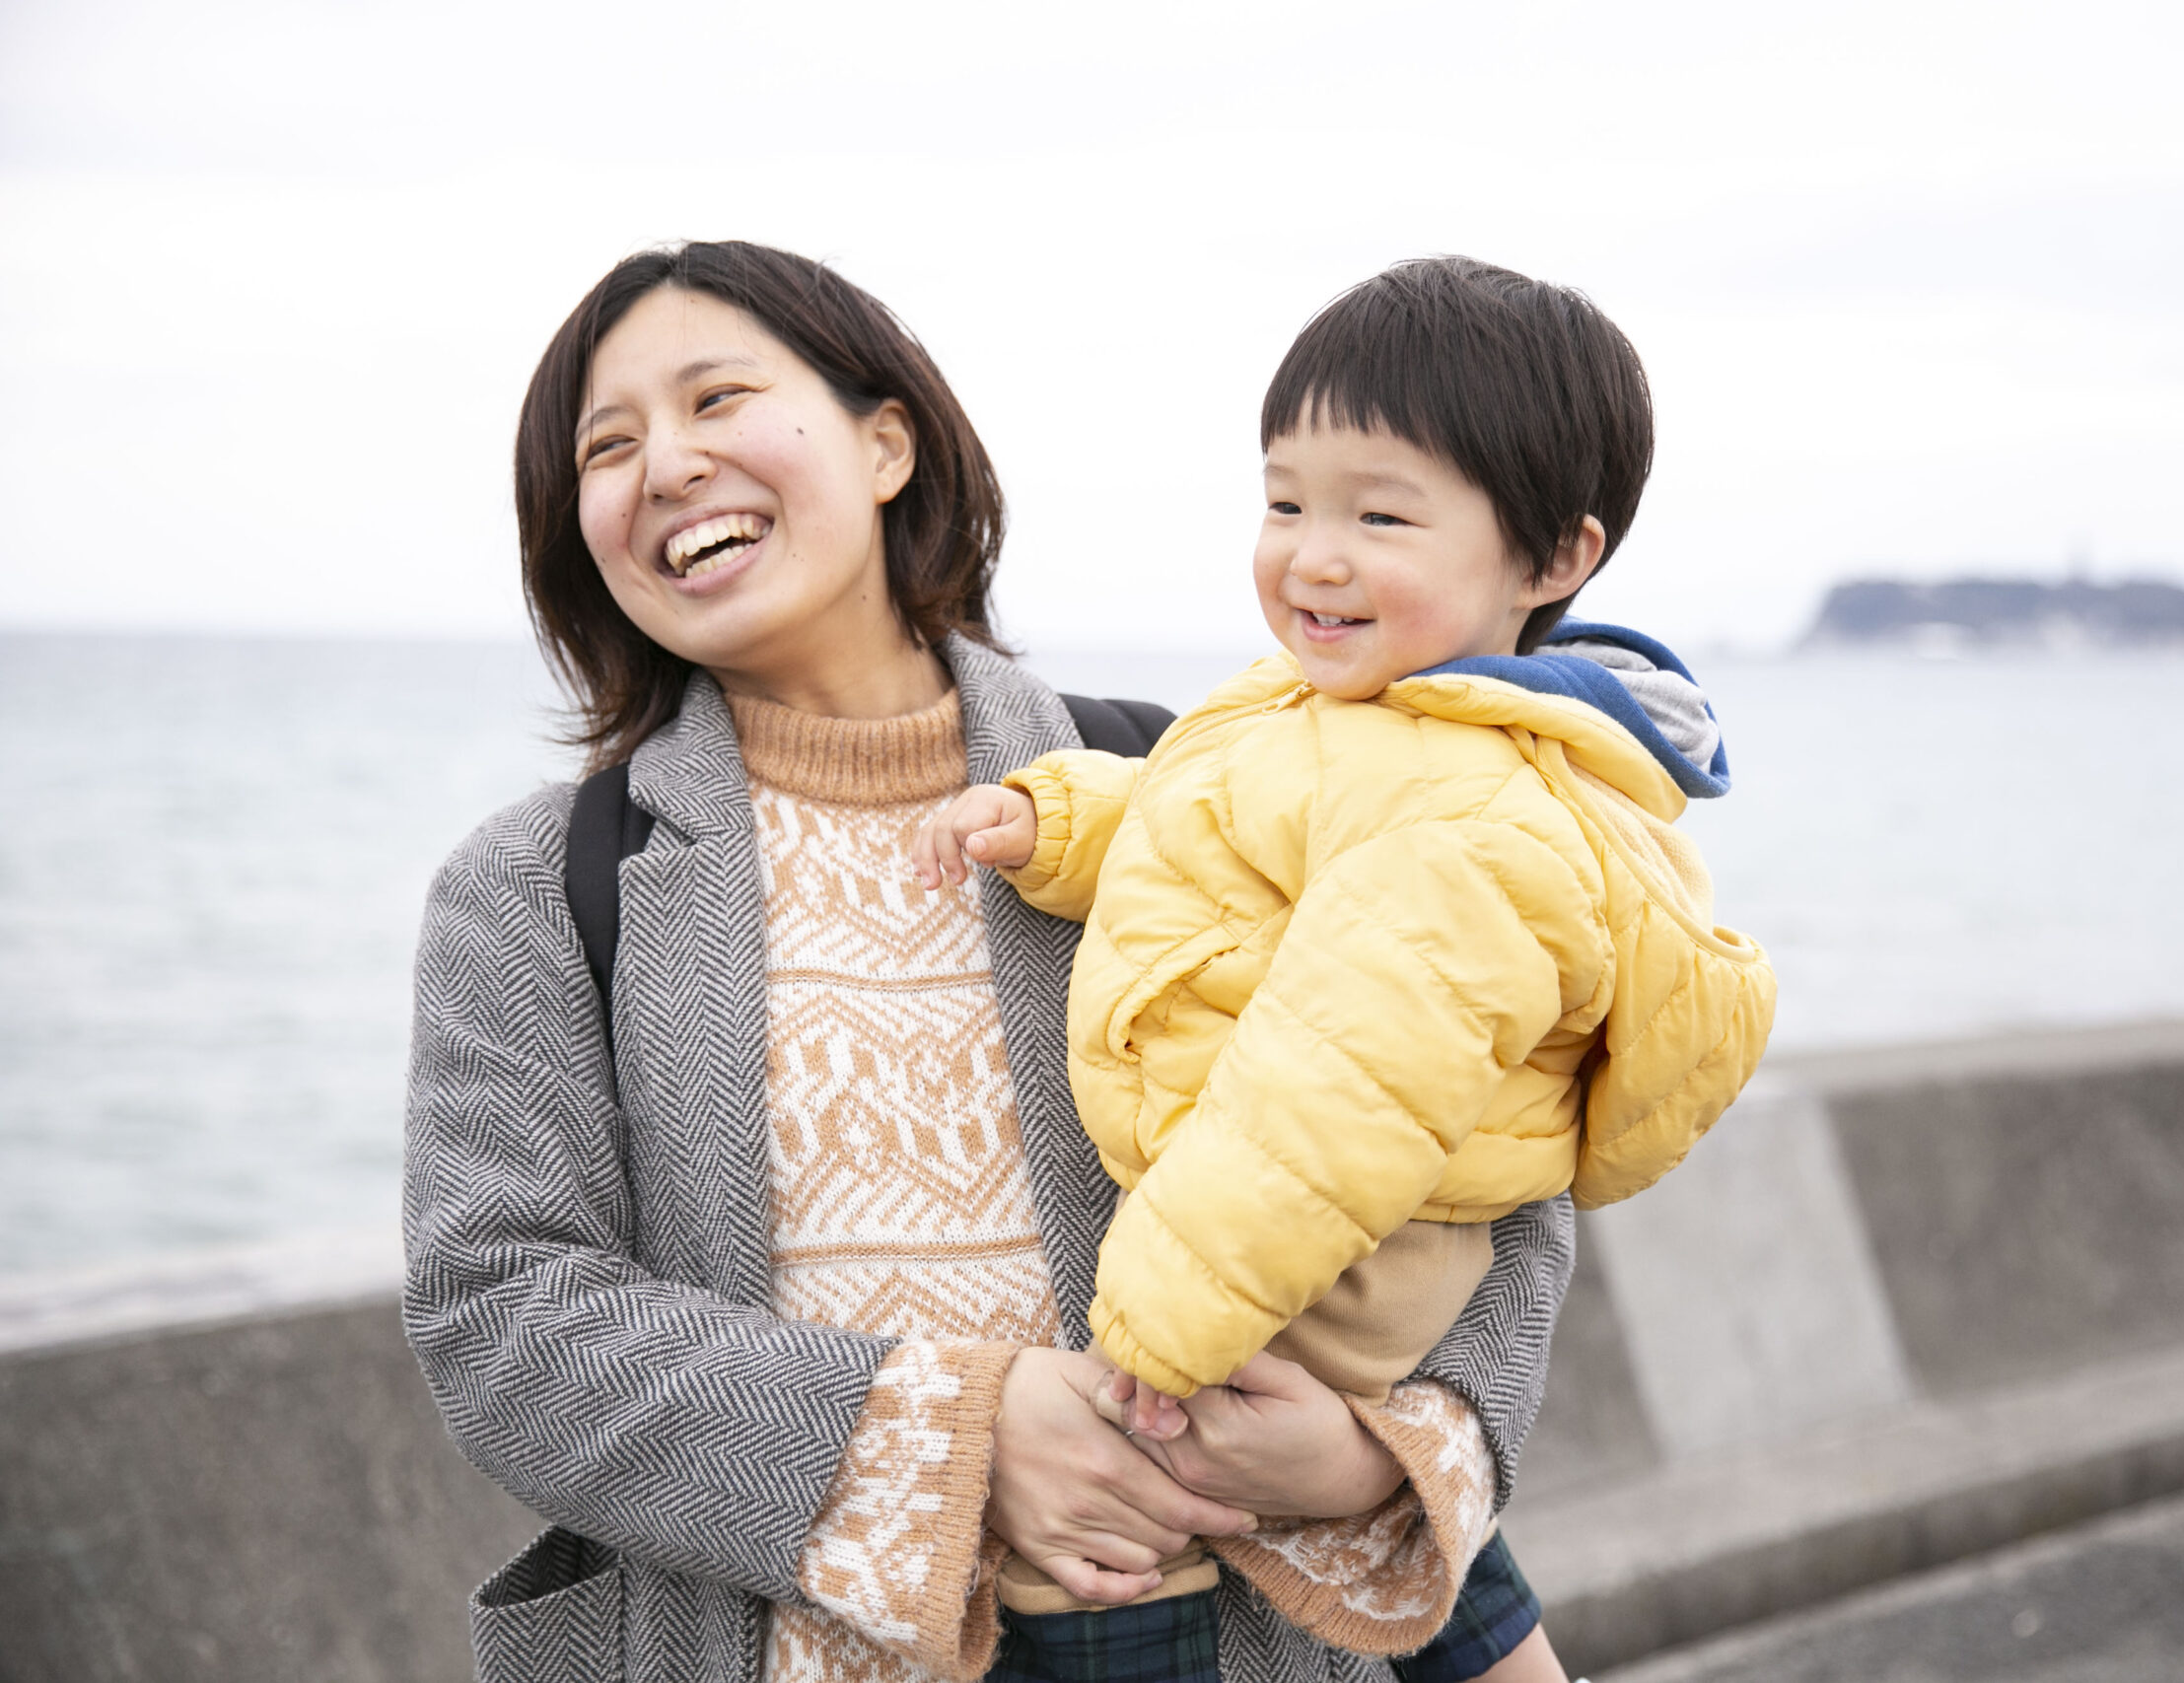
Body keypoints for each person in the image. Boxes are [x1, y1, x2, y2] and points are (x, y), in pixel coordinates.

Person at [402, 241, 1575, 1683]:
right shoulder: (536, 889)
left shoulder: (1183, 777)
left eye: (719, 399)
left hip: (1235, 1633)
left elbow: (1496, 1131)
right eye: (609, 445)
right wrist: (954, 1438)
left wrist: (1376, 1453)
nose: (668, 466)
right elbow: (503, 1313)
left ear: (886, 440)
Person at [917, 257, 1778, 1682]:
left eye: (1378, 514)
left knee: (1163, 1498)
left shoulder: (1477, 817)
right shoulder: (1350, 713)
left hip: (1332, 1248)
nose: (1313, 554)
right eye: (1285, 501)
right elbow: (1214, 822)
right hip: (1292, 1214)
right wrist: (1062, 822)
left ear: (1554, 559)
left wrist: (1158, 1323)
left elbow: (1332, 1094)